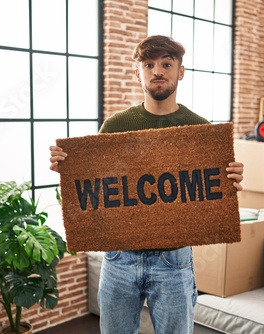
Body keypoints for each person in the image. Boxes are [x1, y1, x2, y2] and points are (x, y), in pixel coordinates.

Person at [49, 35, 244, 334]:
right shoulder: (115, 126)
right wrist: (69, 171)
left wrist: (228, 181)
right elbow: (98, 191)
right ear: (137, 72)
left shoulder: (201, 130)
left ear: (180, 71)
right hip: (119, 258)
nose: (157, 71)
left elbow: (207, 194)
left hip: (173, 259)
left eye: (167, 63)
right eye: (149, 64)